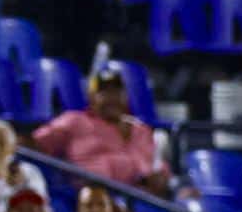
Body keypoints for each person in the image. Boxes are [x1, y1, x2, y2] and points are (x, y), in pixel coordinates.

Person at [33, 66, 171, 196]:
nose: (112, 98)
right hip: (96, 200)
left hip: (145, 199)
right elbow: (35, 143)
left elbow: (158, 165)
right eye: (104, 92)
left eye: (117, 91)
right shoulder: (74, 121)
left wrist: (162, 177)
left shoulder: (141, 129)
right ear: (91, 98)